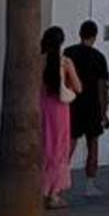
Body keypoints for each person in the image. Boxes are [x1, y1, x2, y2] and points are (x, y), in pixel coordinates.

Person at [68, 17, 109, 191]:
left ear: (80, 34)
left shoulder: (69, 53)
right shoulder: (99, 57)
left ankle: (60, 178)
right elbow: (103, 87)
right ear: (94, 36)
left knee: (70, 143)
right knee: (92, 143)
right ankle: (90, 183)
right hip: (93, 105)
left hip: (73, 104)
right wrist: (104, 113)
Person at [37, 23, 72, 206]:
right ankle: (54, 193)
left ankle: (41, 189)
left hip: (42, 106)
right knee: (59, 148)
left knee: (45, 146)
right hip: (60, 109)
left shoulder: (38, 60)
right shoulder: (65, 62)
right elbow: (78, 86)